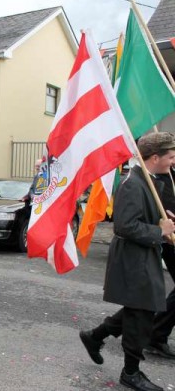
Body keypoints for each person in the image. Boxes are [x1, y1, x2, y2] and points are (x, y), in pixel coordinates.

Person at [79, 132, 175, 391]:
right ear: (154, 157)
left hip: (143, 255)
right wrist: (160, 231)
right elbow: (124, 226)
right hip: (133, 259)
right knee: (140, 314)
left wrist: (162, 220)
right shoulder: (133, 183)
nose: (173, 161)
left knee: (141, 308)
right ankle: (130, 372)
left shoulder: (149, 180)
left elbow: (142, 217)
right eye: (170, 156)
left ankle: (94, 336)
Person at [146, 164, 175, 360]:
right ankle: (155, 334)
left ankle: (156, 332)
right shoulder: (160, 179)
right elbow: (163, 213)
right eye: (171, 156)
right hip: (169, 240)